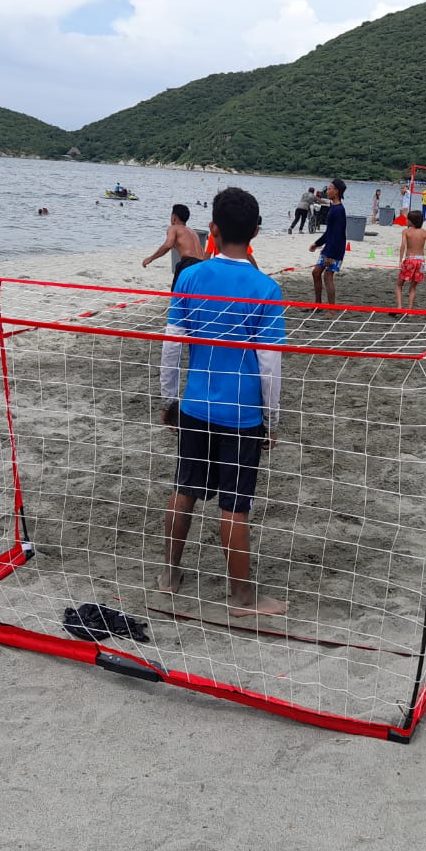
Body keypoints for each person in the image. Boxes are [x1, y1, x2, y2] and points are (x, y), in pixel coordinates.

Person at [158, 186, 288, 616]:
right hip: (242, 412)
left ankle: (170, 575)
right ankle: (242, 598)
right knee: (235, 503)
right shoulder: (266, 288)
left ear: (211, 229)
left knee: (185, 489)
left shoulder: (189, 277)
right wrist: (272, 415)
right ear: (254, 233)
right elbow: (270, 364)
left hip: (195, 405)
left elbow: (172, 345)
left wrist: (168, 397)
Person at [142, 204, 206, 291]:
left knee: (176, 293)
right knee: (192, 292)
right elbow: (202, 252)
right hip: (201, 264)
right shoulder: (193, 232)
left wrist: (151, 258)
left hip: (188, 263)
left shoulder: (174, 228)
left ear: (174, 218)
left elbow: (168, 245)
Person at [310, 178, 347, 304]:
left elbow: (337, 234)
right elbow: (329, 232)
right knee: (316, 273)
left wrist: (330, 255)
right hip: (329, 247)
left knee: (328, 276)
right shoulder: (332, 207)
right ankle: (318, 304)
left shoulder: (339, 210)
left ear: (336, 191)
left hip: (335, 249)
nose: (327, 191)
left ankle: (332, 308)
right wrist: (317, 243)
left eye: (330, 188)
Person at [396, 209, 426, 309]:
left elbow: (403, 246)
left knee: (399, 285)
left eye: (408, 219)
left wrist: (400, 260)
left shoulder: (406, 232)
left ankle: (399, 307)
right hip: (421, 262)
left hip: (410, 260)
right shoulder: (424, 233)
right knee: (413, 287)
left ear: (411, 221)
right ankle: (410, 309)